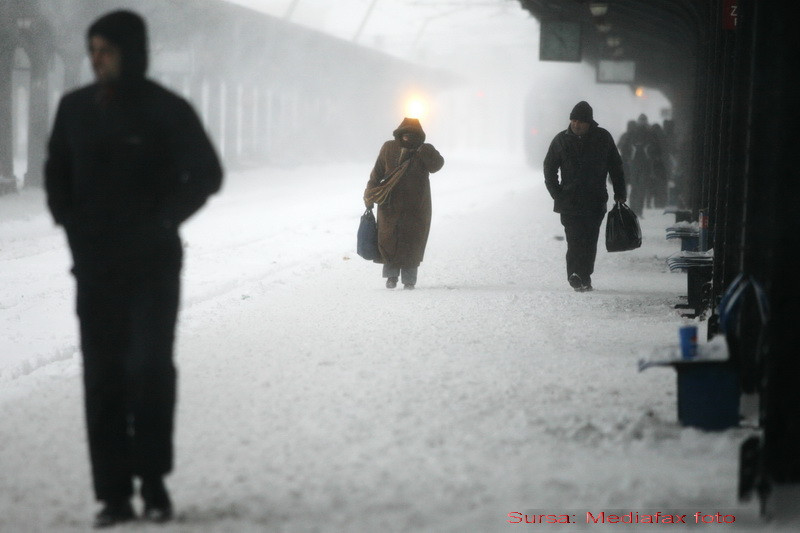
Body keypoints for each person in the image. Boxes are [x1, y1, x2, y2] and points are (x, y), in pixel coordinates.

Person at [44, 10, 222, 528]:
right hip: (96, 268)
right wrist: (71, 224)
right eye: (92, 50)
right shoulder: (73, 109)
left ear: (131, 52)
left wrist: (166, 218)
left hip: (153, 268)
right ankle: (114, 493)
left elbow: (207, 173)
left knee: (147, 370)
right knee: (101, 377)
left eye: (106, 50)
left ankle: (153, 481)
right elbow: (57, 173)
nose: (96, 60)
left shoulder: (167, 110)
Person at [543, 101, 626, 292]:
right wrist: (557, 194)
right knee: (574, 239)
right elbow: (549, 168)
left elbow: (616, 166)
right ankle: (574, 274)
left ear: (589, 122)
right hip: (569, 202)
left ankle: (585, 275)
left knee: (589, 240)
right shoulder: (560, 140)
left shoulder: (603, 138)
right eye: (573, 120)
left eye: (580, 121)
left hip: (595, 201)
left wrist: (620, 193)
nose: (575, 124)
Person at [364, 118, 444, 289]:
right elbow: (376, 174)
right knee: (389, 241)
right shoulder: (388, 147)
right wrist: (369, 195)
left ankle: (409, 280)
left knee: (412, 244)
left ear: (419, 136)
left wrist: (425, 151)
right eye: (405, 134)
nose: (408, 137)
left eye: (412, 134)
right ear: (399, 134)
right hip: (389, 205)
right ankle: (391, 277)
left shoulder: (423, 149)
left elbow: (437, 165)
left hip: (415, 207)